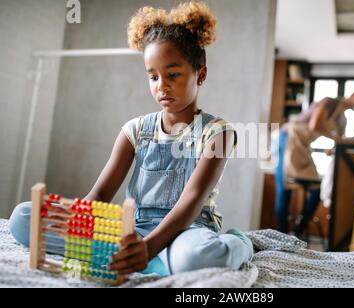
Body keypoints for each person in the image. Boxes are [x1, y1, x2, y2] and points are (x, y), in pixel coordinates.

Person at [9, 2, 253, 277]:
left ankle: (239, 243)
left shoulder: (219, 133)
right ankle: (145, 261)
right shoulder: (134, 130)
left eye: (172, 74)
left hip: (187, 231)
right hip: (133, 229)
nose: (161, 85)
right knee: (23, 217)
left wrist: (148, 247)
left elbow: (192, 200)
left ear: (201, 74)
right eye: (153, 76)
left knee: (197, 257)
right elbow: (100, 195)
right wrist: (74, 220)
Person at [275, 86, 354, 234]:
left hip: (304, 146)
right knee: (285, 188)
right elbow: (314, 125)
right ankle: (279, 236)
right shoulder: (329, 102)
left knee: (316, 190)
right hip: (290, 138)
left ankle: (296, 233)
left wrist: (333, 147)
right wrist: (334, 138)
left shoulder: (343, 119)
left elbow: (338, 140)